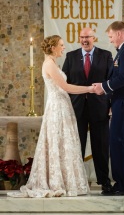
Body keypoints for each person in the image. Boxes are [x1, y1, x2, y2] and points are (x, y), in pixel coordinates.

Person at [8, 35, 95, 198]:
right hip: (57, 107)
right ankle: (56, 181)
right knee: (57, 142)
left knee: (63, 143)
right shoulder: (49, 64)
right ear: (53, 47)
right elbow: (66, 87)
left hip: (62, 105)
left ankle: (66, 180)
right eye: (61, 45)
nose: (63, 48)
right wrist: (89, 89)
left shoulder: (53, 63)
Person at [62, 27, 113, 194]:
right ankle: (75, 182)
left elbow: (112, 82)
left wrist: (111, 104)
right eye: (82, 37)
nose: (85, 40)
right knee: (77, 146)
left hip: (100, 108)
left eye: (88, 37)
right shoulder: (70, 57)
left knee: (101, 146)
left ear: (94, 38)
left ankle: (104, 182)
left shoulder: (105, 56)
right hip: (76, 109)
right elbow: (64, 83)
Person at [93, 21, 124, 196]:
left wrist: (103, 87)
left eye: (111, 36)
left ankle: (121, 185)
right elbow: (119, 78)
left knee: (117, 141)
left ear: (119, 34)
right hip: (123, 101)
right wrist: (111, 101)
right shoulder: (123, 52)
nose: (110, 39)